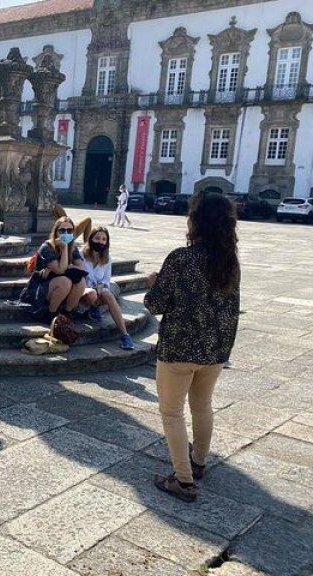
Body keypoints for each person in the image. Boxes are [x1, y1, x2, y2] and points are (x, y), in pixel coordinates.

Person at [144, 192, 240, 502]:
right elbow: (231, 309)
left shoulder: (180, 258)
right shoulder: (230, 262)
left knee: (171, 413)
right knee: (202, 406)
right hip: (214, 351)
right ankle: (198, 462)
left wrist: (153, 284)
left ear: (196, 221)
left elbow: (155, 304)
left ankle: (183, 481)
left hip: (178, 349)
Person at [20, 216, 87, 323]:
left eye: (69, 230)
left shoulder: (72, 247)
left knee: (81, 281)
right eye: (62, 230)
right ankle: (51, 314)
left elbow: (82, 268)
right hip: (40, 287)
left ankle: (67, 313)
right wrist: (64, 249)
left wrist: (70, 266)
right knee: (65, 281)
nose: (66, 233)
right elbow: (60, 270)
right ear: (56, 231)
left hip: (58, 286)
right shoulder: (47, 247)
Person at [80, 226, 135, 350]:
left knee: (109, 295)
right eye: (97, 238)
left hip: (99, 289)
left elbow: (106, 280)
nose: (100, 242)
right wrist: (94, 288)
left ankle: (125, 335)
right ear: (91, 239)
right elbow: (79, 277)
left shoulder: (107, 259)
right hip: (83, 290)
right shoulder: (81, 255)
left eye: (104, 239)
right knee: (92, 294)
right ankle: (92, 307)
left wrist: (101, 286)